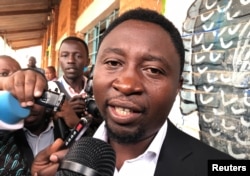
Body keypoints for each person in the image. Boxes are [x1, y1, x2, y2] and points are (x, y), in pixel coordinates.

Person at [2, 8, 234, 176]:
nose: (127, 84)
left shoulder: (216, 166)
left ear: (178, 87)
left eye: (153, 69)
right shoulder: (67, 156)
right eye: (113, 63)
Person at [0, 57, 79, 175]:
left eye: (38, 98)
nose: (30, 104)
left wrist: (77, 127)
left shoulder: (64, 128)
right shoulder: (6, 133)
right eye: (20, 96)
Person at [49, 36, 102, 136]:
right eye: (65, 55)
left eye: (78, 56)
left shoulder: (98, 89)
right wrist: (62, 113)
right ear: (59, 60)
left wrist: (98, 119)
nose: (70, 61)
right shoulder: (51, 90)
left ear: (87, 61)